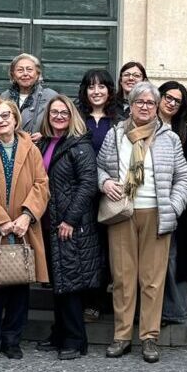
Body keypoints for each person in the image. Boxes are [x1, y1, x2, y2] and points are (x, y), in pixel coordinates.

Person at [97, 81, 187, 363]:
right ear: (131, 104)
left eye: (151, 103)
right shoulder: (116, 135)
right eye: (140, 102)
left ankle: (149, 337)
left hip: (156, 212)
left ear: (157, 107)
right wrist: (104, 183)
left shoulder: (170, 138)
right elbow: (99, 167)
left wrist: (174, 208)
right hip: (122, 212)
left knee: (152, 279)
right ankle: (122, 336)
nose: (145, 107)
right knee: (124, 278)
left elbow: (184, 177)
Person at [0, 99, 50, 360]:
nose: (1, 120)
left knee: (19, 284)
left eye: (6, 116)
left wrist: (27, 215)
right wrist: (0, 220)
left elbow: (41, 184)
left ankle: (12, 340)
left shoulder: (31, 149)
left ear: (16, 119)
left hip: (23, 226)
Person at [36, 96, 101, 360]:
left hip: (71, 225)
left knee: (71, 283)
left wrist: (70, 220)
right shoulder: (47, 143)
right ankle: (60, 333)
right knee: (60, 282)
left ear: (72, 115)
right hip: (51, 223)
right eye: (54, 112)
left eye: (64, 112)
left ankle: (76, 340)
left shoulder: (80, 145)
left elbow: (88, 185)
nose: (59, 116)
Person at [76, 68, 121, 322]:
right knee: (85, 248)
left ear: (109, 90)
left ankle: (98, 301)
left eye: (101, 86)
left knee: (107, 249)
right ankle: (84, 300)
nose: (96, 91)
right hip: (81, 193)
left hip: (110, 193)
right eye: (91, 87)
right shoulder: (75, 118)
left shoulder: (120, 120)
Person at [157, 81, 187, 327]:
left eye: (177, 100)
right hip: (148, 201)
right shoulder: (144, 124)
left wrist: (175, 199)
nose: (171, 103)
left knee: (173, 258)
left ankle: (174, 310)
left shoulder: (186, 131)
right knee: (152, 260)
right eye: (168, 97)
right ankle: (151, 310)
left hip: (175, 203)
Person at [0, 53, 57, 141]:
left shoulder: (51, 96)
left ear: (37, 74)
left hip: (38, 150)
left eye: (29, 70)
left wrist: (46, 135)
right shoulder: (4, 97)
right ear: (13, 75)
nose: (25, 74)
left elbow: (64, 124)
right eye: (20, 70)